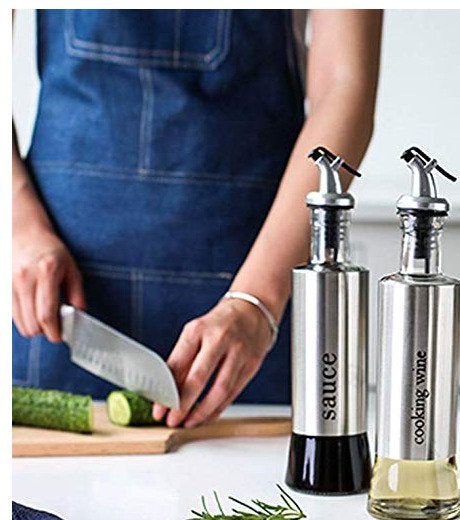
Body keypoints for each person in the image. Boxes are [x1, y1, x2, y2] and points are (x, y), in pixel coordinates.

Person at [12, 9, 382, 428]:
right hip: (58, 292)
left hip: (252, 280)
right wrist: (19, 227)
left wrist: (256, 301)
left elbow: (344, 87)